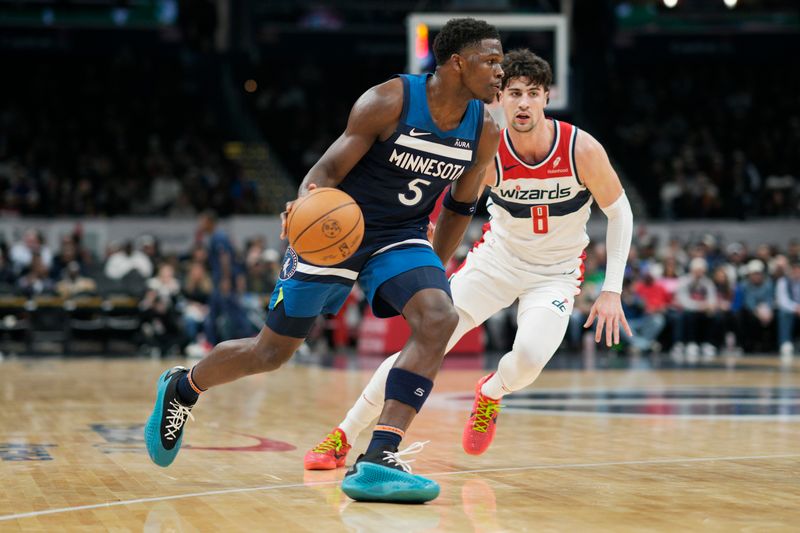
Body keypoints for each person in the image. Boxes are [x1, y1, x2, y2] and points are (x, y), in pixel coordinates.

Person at [144, 17, 504, 504]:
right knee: (269, 353)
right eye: (492, 60)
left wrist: (433, 271)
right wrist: (304, 207)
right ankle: (183, 387)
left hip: (398, 236)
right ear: (457, 63)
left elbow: (461, 206)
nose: (500, 71)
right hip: (337, 229)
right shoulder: (389, 100)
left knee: (439, 316)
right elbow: (326, 171)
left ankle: (379, 455)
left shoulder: (484, 129)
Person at [305, 48, 633, 468]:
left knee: (530, 360)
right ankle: (343, 435)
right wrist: (419, 226)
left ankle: (491, 392)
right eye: (513, 93)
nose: (523, 103)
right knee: (426, 343)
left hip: (554, 274)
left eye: (532, 93)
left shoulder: (579, 148)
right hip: (494, 264)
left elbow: (620, 211)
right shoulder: (488, 149)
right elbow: (446, 198)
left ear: (547, 97)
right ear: (499, 99)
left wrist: (612, 290)